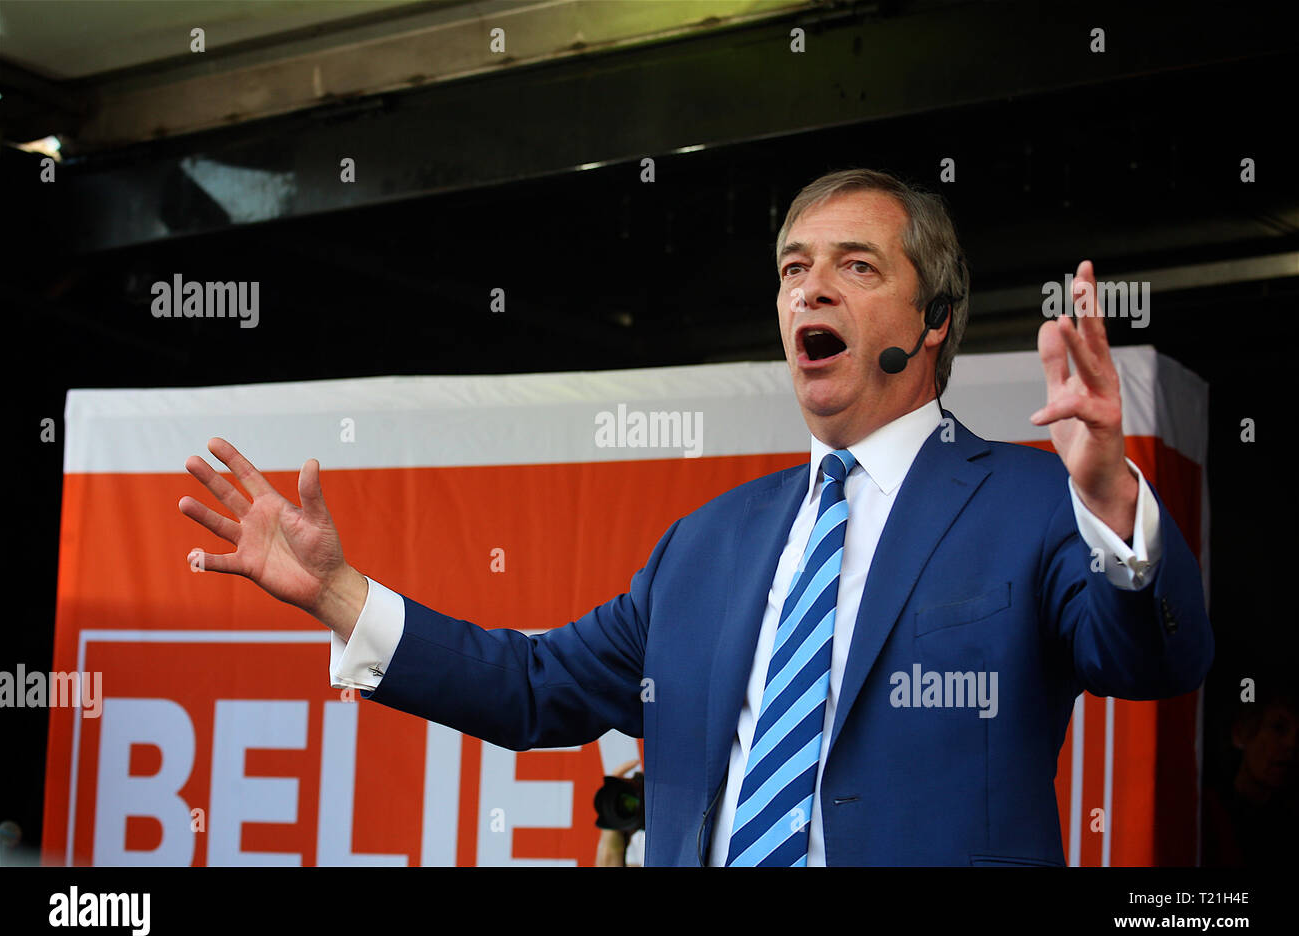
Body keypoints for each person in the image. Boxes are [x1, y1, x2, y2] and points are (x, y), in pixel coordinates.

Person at [179, 168, 1213, 866]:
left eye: (857, 266)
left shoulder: (1033, 501)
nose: (812, 288)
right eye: (794, 268)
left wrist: (1113, 500)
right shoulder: (705, 542)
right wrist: (336, 593)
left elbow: (1156, 664)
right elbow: (536, 688)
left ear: (934, 321)